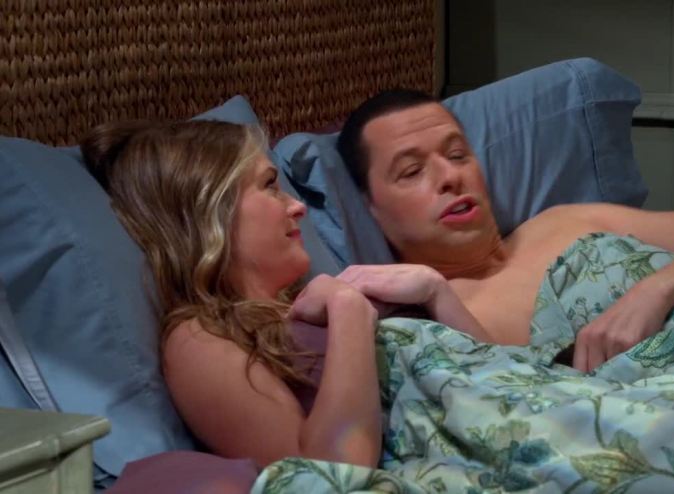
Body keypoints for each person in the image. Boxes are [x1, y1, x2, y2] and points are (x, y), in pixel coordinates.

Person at [80, 120, 479, 469]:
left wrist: (434, 290)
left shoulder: (304, 301)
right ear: (211, 208)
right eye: (270, 185)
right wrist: (349, 310)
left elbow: (496, 372)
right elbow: (329, 475)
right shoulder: (199, 338)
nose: (298, 206)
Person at [336, 89, 674, 372]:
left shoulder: (564, 222)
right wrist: (437, 293)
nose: (450, 176)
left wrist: (656, 291)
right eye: (412, 171)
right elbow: (504, 401)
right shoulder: (427, 323)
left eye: (457, 155)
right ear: (370, 208)